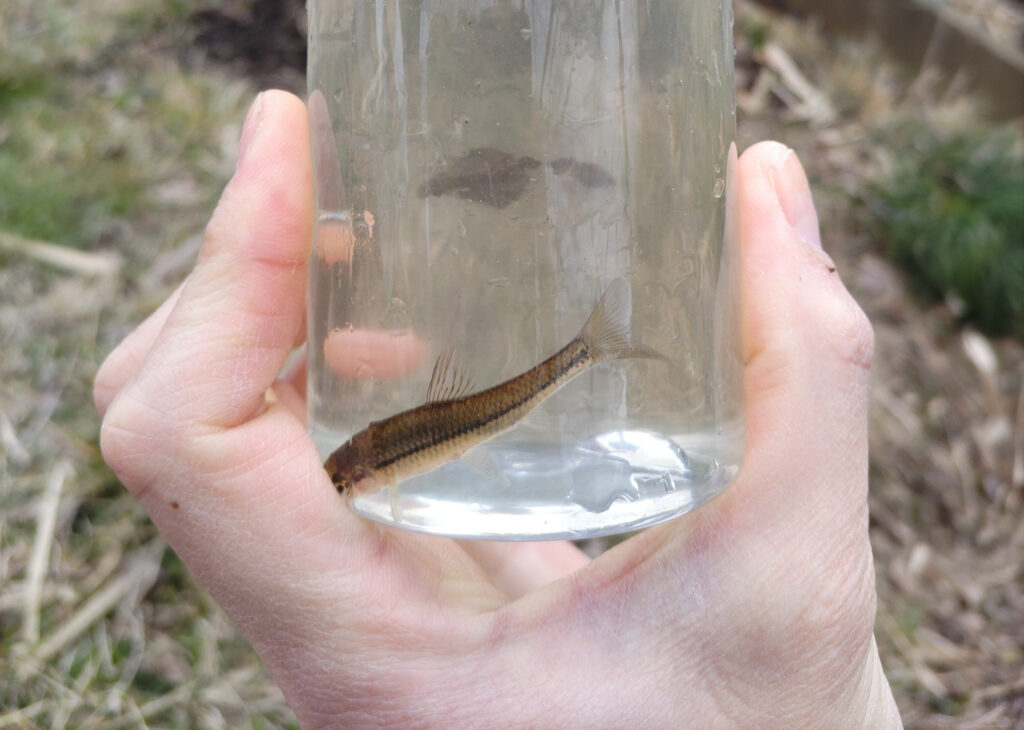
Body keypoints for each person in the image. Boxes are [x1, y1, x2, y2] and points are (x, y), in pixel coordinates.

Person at [94, 90, 902, 728]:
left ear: (363, 473)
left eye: (343, 485)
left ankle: (587, 348)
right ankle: (589, 349)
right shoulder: (377, 457)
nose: (342, 489)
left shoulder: (374, 458)